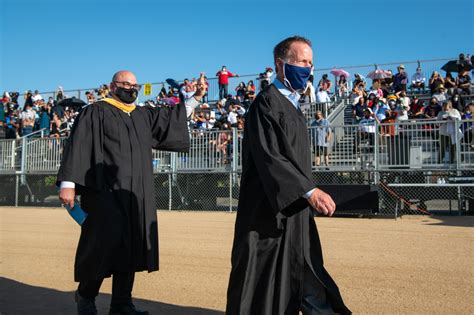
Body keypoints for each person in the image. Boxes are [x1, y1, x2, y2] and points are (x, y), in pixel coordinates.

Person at [57, 70, 205, 315]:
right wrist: (68, 183)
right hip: (105, 192)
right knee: (102, 245)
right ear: (112, 86)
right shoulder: (96, 111)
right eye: (125, 84)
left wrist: (197, 97)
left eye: (135, 85)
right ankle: (86, 295)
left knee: (132, 246)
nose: (131, 88)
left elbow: (172, 119)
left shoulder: (141, 114)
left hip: (136, 192)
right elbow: (79, 144)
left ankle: (122, 304)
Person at [226, 36, 350, 315]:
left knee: (304, 269)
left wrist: (306, 192)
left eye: (311, 63)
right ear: (281, 66)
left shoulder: (293, 106)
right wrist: (309, 191)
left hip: (294, 210)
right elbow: (271, 157)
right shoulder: (266, 104)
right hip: (268, 212)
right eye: (302, 62)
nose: (308, 68)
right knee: (267, 279)